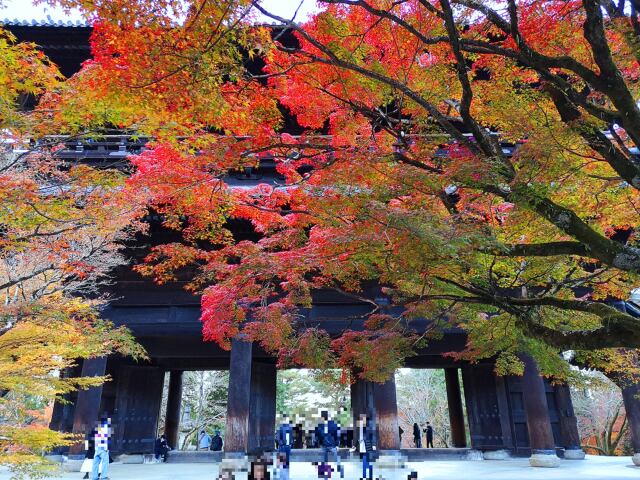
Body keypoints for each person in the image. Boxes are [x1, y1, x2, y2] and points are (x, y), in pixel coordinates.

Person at [317, 411, 343, 479]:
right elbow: (336, 435)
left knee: (325, 459)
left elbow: (318, 435)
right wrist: (337, 444)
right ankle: (336, 467)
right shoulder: (332, 424)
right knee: (331, 457)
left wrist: (319, 442)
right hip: (330, 444)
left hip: (326, 444)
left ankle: (325, 472)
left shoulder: (322, 425)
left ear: (322, 417)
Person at [357, 414, 376, 480]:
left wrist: (373, 444)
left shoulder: (369, 427)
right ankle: (364, 476)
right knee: (364, 462)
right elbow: (358, 437)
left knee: (368, 462)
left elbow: (373, 436)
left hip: (367, 446)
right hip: (361, 447)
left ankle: (370, 476)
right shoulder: (359, 428)